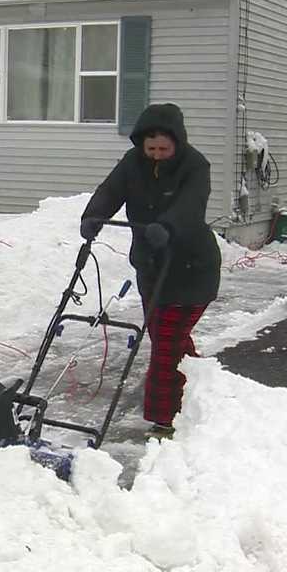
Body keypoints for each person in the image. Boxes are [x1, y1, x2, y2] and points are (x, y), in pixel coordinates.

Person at [80, 102, 221, 437]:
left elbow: (191, 206)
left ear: (177, 143)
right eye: (151, 148)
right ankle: (205, 392)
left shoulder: (195, 165)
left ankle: (165, 419)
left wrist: (168, 227)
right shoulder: (133, 163)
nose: (157, 155)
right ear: (141, 144)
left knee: (165, 346)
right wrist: (92, 216)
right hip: (151, 267)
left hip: (191, 269)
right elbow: (111, 190)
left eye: (164, 149)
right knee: (167, 340)